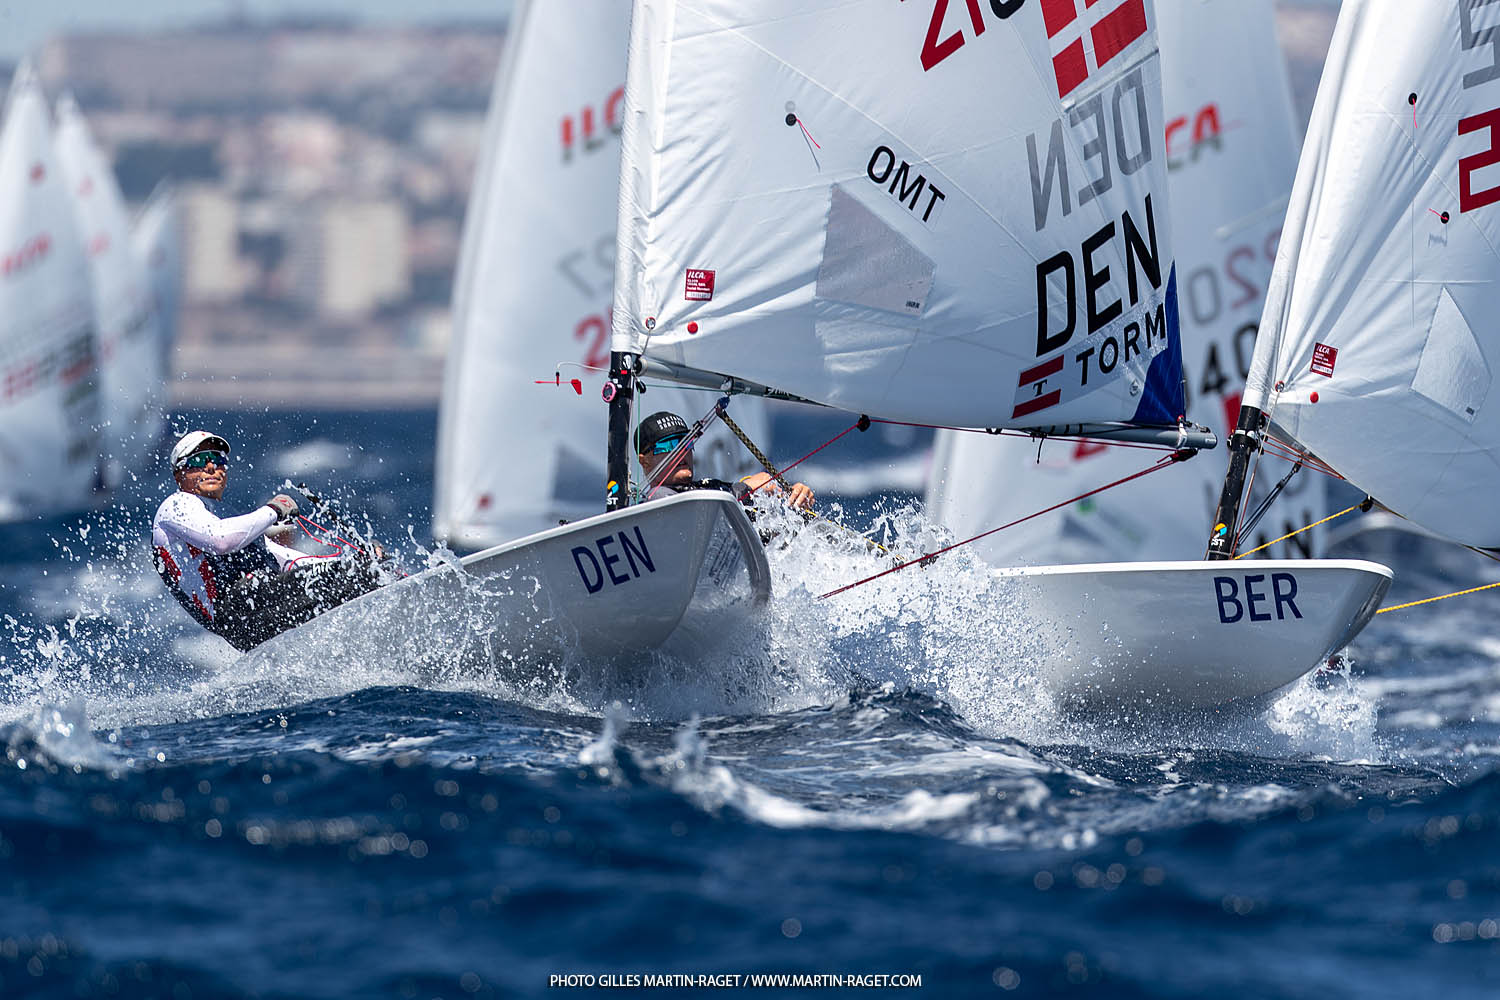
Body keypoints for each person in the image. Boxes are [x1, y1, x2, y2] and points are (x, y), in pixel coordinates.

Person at [151, 430, 383, 651]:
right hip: (239, 610)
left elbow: (286, 559)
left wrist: (350, 561)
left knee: (361, 571)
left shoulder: (225, 514)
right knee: (362, 576)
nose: (211, 466)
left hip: (256, 611)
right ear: (180, 472)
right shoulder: (176, 504)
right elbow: (220, 540)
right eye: (200, 459)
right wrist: (273, 509)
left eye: (218, 460)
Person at [633, 411, 815, 511]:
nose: (681, 452)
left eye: (686, 442)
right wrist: (747, 488)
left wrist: (794, 495)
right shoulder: (655, 501)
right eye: (670, 445)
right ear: (645, 461)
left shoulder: (706, 487)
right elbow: (696, 512)